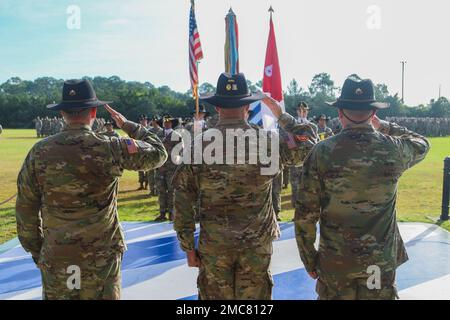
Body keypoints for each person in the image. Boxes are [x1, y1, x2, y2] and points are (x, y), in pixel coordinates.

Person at [15, 79, 167, 300]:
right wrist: (128, 125)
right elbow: (159, 153)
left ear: (62, 113)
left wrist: (40, 250)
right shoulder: (111, 147)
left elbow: (26, 209)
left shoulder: (39, 152)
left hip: (58, 253)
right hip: (102, 255)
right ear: (93, 112)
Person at [173, 72, 318, 300]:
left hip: (215, 245)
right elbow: (309, 145)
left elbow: (182, 200)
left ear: (218, 107)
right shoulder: (268, 142)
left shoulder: (198, 145)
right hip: (256, 245)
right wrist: (282, 116)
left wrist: (188, 246)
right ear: (247, 107)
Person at [295, 74, 430, 300]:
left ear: (340, 112)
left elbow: (305, 216)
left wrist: (310, 259)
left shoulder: (322, 152)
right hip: (378, 262)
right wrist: (385, 127)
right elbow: (422, 143)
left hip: (336, 262)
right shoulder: (393, 149)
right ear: (374, 113)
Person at [290, 102, 318, 210]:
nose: (302, 113)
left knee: (309, 188)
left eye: (304, 111)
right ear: (297, 111)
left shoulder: (313, 127)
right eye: (300, 111)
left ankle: (309, 211)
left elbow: (316, 143)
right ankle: (296, 212)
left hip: (309, 162)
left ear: (307, 112)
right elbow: (288, 141)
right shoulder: (292, 126)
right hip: (295, 161)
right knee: (295, 188)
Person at [155, 115, 183, 221]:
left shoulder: (177, 136)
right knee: (161, 190)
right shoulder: (158, 135)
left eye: (168, 122)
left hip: (172, 168)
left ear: (172, 124)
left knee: (172, 191)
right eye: (164, 122)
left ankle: (172, 213)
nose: (166, 124)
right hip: (159, 167)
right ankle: (162, 212)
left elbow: (180, 151)